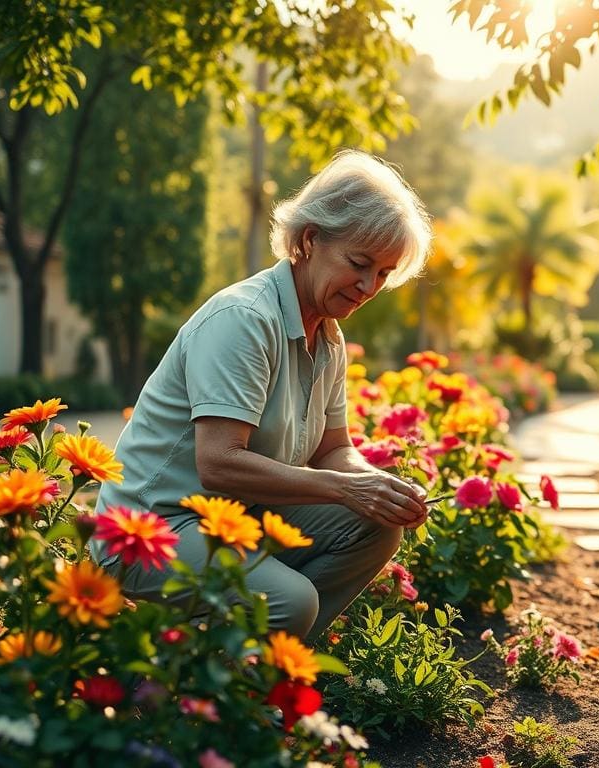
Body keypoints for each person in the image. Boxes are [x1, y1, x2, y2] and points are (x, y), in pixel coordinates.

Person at [92, 150, 432, 642]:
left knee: (375, 526)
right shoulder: (245, 320)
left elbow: (333, 450)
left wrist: (379, 486)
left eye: (384, 273)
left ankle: (253, 663)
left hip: (233, 515)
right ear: (310, 239)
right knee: (290, 601)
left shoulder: (328, 336)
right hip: (149, 527)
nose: (368, 286)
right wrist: (345, 489)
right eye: (359, 264)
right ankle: (212, 683)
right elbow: (219, 463)